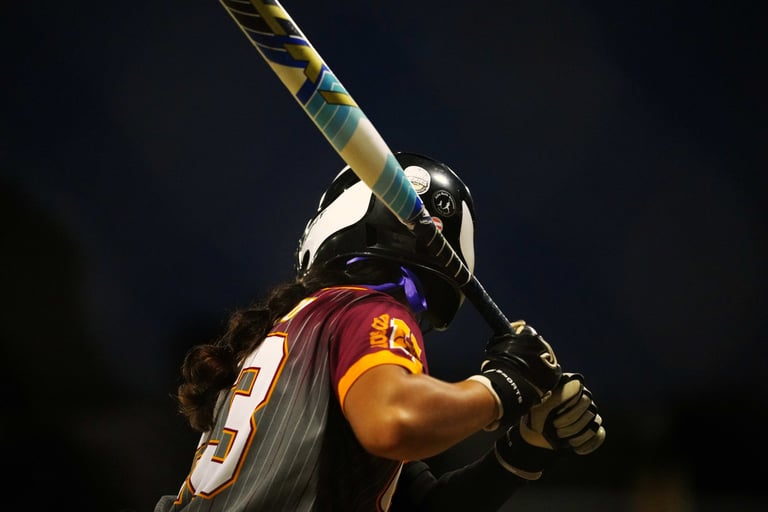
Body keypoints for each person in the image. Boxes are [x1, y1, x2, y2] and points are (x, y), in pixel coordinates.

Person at [154, 152, 606, 512]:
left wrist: (526, 446)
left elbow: (421, 503)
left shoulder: (300, 330)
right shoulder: (369, 308)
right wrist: (503, 385)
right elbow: (394, 422)